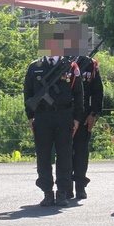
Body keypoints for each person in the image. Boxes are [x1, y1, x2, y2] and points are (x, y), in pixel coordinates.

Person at [23, 23, 85, 207]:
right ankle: (47, 192)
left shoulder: (71, 67)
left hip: (64, 115)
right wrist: (30, 116)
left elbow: (79, 94)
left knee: (64, 155)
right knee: (43, 155)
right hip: (42, 116)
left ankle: (63, 192)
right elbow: (27, 93)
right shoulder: (35, 67)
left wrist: (76, 118)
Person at [70, 50, 103, 200]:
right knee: (64, 152)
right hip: (64, 113)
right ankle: (66, 187)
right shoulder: (62, 61)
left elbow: (98, 92)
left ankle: (80, 186)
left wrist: (94, 114)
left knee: (81, 151)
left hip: (84, 115)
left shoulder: (90, 64)